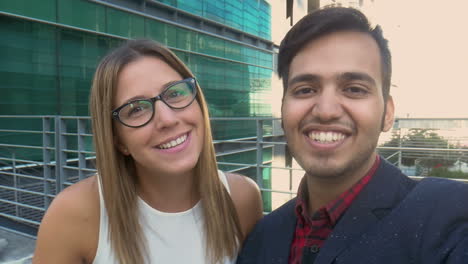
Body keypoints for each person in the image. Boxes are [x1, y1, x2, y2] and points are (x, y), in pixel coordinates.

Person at [237, 7, 468, 264]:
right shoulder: (262, 236)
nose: (326, 111)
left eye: (354, 89)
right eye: (305, 90)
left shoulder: (448, 217)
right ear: (282, 109)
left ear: (387, 113)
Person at [33, 39, 263, 264]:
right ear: (117, 140)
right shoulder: (73, 215)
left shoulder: (242, 198)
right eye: (136, 109)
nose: (167, 119)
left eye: (174, 93)